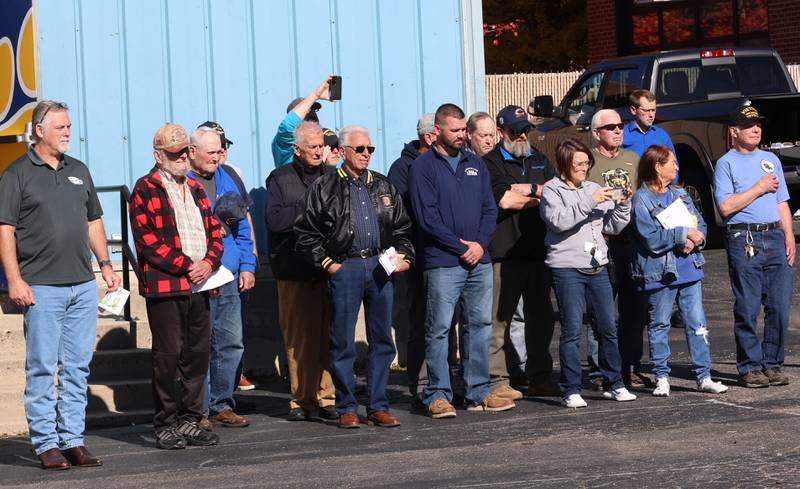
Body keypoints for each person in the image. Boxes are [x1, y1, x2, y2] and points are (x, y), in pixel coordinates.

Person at [0, 101, 121, 469]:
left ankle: (72, 440)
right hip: (42, 288)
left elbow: (93, 222)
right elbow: (5, 230)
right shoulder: (17, 174)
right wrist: (15, 279)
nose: (68, 132)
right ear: (39, 130)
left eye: (69, 126)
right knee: (41, 367)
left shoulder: (78, 170)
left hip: (82, 285)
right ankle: (46, 443)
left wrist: (105, 265)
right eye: (61, 127)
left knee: (77, 367)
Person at [295, 125, 414, 429]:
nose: (365, 155)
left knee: (382, 340)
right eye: (359, 149)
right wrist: (329, 264)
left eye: (370, 149)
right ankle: (347, 405)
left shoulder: (384, 186)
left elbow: (402, 228)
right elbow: (306, 233)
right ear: (343, 151)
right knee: (343, 341)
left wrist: (405, 257)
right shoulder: (325, 186)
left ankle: (377, 405)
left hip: (380, 266)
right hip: (345, 267)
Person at [408, 103, 514, 418]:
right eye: (455, 130)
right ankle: (437, 394)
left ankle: (478, 391)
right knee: (440, 328)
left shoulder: (476, 165)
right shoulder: (423, 168)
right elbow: (427, 218)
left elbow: (489, 209)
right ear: (436, 132)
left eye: (463, 130)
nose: (461, 136)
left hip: (478, 260)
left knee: (479, 325)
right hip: (443, 261)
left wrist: (480, 244)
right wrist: (459, 246)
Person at [129, 123, 223, 449]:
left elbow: (214, 230)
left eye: (184, 151)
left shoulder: (195, 188)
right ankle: (165, 423)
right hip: (167, 286)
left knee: (197, 356)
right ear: (158, 155)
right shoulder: (146, 188)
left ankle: (190, 419)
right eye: (175, 153)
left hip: (201, 285)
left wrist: (209, 262)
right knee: (168, 357)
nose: (182, 157)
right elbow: (148, 242)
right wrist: (188, 266)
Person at [539, 137, 636, 408]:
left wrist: (623, 204)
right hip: (566, 267)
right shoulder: (552, 191)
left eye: (587, 163)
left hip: (598, 265)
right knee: (571, 329)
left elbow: (614, 227)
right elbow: (559, 222)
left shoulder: (594, 187)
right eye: (579, 163)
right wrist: (590, 201)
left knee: (608, 326)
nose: (584, 168)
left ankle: (615, 383)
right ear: (564, 163)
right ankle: (570, 388)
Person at [630, 145, 728, 396]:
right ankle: (662, 376)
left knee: (697, 323)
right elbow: (649, 237)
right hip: (661, 272)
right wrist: (681, 235)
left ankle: (704, 376)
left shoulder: (681, 194)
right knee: (659, 323)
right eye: (671, 163)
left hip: (689, 268)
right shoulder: (641, 199)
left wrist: (696, 239)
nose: (676, 167)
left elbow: (701, 223)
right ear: (657, 166)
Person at [713, 104, 794, 388]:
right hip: (744, 238)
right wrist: (758, 188)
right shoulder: (726, 163)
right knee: (747, 306)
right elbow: (725, 207)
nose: (756, 129)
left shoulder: (771, 159)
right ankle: (749, 366)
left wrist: (789, 235)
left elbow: (781, 201)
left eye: (758, 124)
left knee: (779, 305)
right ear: (734, 132)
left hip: (774, 236)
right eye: (749, 126)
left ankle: (772, 363)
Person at [483, 105, 559, 400]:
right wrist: (540, 193)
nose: (521, 135)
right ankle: (498, 379)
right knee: (498, 321)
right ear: (502, 132)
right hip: (504, 254)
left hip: (539, 252)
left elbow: (556, 193)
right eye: (515, 130)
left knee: (541, 321)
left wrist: (527, 189)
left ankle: (539, 376)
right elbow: (505, 201)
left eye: (525, 129)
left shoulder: (539, 159)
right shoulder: (490, 164)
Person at [266, 121, 337, 422]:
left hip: (328, 268)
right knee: (298, 338)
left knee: (328, 335)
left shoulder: (335, 177)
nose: (319, 151)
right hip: (293, 269)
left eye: (321, 145)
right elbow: (275, 220)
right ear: (296, 149)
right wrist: (310, 208)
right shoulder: (280, 179)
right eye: (312, 147)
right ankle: (300, 399)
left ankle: (327, 397)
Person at [188, 125, 256, 429]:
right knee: (199, 344)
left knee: (231, 342)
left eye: (220, 152)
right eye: (211, 152)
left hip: (227, 274)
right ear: (192, 152)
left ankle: (222, 404)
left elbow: (242, 226)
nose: (218, 157)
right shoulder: (182, 181)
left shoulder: (227, 178)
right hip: (197, 275)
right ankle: (197, 410)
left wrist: (248, 266)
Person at [589, 109, 652, 390]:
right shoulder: (588, 161)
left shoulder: (631, 159)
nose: (618, 130)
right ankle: (599, 370)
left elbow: (643, 195)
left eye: (619, 126)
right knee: (600, 311)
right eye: (610, 127)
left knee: (634, 309)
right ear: (596, 133)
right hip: (601, 242)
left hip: (631, 241)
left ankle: (630, 366)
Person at [387, 113, 436, 400]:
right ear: (430, 136)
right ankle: (420, 383)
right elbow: (402, 215)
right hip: (417, 255)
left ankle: (444, 380)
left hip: (444, 254)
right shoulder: (403, 169)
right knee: (420, 319)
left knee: (443, 322)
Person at [272, 75, 333, 167]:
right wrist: (315, 95)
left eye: (313, 110)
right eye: (306, 112)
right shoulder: (285, 141)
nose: (311, 113)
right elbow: (288, 126)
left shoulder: (323, 138)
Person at [622, 89, 677, 159]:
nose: (651, 115)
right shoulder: (621, 135)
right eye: (646, 110)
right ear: (633, 110)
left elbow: (673, 165)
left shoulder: (662, 135)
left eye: (653, 110)